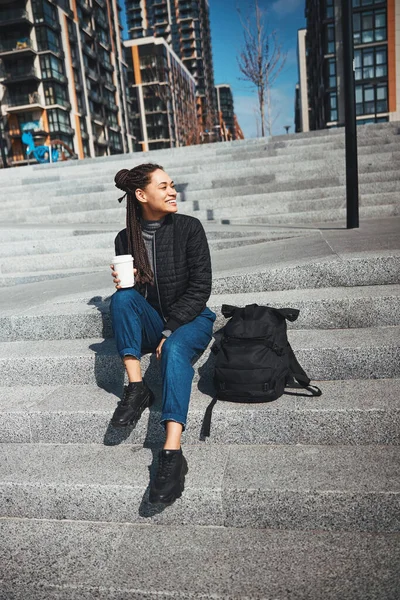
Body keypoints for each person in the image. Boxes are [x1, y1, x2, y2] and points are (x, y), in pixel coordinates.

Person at [109, 163, 216, 505]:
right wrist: (128, 283)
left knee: (173, 352)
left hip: (192, 318)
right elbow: (138, 300)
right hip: (156, 320)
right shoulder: (125, 238)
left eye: (172, 185)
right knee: (122, 297)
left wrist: (170, 330)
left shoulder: (189, 228)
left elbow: (201, 288)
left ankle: (172, 453)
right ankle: (137, 387)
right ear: (141, 195)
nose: (173, 192)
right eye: (164, 186)